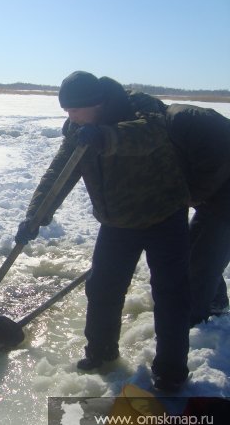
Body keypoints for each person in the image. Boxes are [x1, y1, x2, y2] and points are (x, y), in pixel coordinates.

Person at [15, 71, 191, 391]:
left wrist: (105, 137)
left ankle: (171, 371)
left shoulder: (140, 107)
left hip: (164, 216)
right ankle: (100, 351)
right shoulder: (79, 131)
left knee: (170, 295)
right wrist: (34, 217)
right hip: (118, 222)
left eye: (75, 110)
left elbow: (149, 135)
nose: (70, 117)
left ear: (96, 104)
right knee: (102, 289)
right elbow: (58, 175)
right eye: (66, 111)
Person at [164, 103, 230, 326]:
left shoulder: (181, 121)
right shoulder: (171, 121)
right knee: (193, 250)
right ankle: (216, 302)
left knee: (205, 260)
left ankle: (194, 320)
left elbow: (220, 159)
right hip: (215, 198)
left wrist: (193, 195)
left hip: (223, 201)